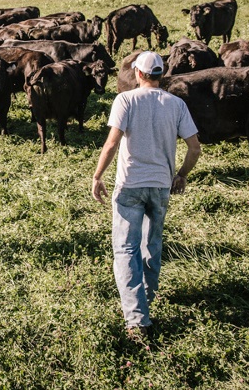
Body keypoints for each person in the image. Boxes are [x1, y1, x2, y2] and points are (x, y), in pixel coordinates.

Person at [91, 50, 201, 341]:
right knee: (152, 244)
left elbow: (112, 143)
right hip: (161, 186)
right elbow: (195, 148)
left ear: (137, 74)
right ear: (160, 74)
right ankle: (145, 300)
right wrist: (182, 174)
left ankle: (137, 319)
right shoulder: (176, 104)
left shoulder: (125, 99)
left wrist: (97, 175)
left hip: (129, 186)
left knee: (125, 249)